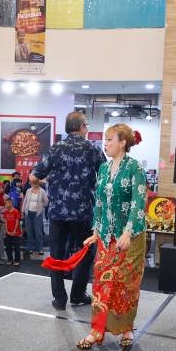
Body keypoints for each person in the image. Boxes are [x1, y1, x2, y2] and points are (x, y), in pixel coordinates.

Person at [76, 124, 147, 349]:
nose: (105, 144)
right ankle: (96, 330)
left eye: (109, 140)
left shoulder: (134, 167)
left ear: (122, 142)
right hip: (107, 237)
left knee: (126, 285)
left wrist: (127, 231)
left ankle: (126, 328)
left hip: (130, 237)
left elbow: (139, 202)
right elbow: (99, 202)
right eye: (105, 140)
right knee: (101, 281)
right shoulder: (104, 168)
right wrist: (96, 232)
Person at [31, 111, 106, 311]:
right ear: (81, 127)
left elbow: (33, 177)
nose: (87, 129)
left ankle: (59, 299)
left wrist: (50, 181)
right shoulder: (92, 148)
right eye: (86, 126)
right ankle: (78, 294)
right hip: (83, 212)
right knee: (87, 251)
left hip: (57, 212)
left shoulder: (55, 148)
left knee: (56, 254)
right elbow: (106, 176)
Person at [22, 178, 48, 257]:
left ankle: (39, 248)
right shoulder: (28, 190)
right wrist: (23, 211)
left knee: (38, 232)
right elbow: (25, 201)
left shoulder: (42, 191)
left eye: (35, 183)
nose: (33, 184)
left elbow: (46, 202)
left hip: (37, 214)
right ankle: (30, 248)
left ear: (38, 183)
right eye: (32, 183)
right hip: (28, 213)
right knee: (29, 232)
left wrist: (41, 207)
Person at [2, 198, 22, 266]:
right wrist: (6, 230)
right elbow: (5, 222)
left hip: (16, 233)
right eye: (5, 203)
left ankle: (17, 260)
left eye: (7, 203)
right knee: (8, 247)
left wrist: (14, 231)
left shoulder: (16, 211)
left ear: (11, 203)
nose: (6, 205)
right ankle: (10, 260)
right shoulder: (5, 212)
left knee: (16, 247)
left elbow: (17, 222)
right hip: (8, 232)